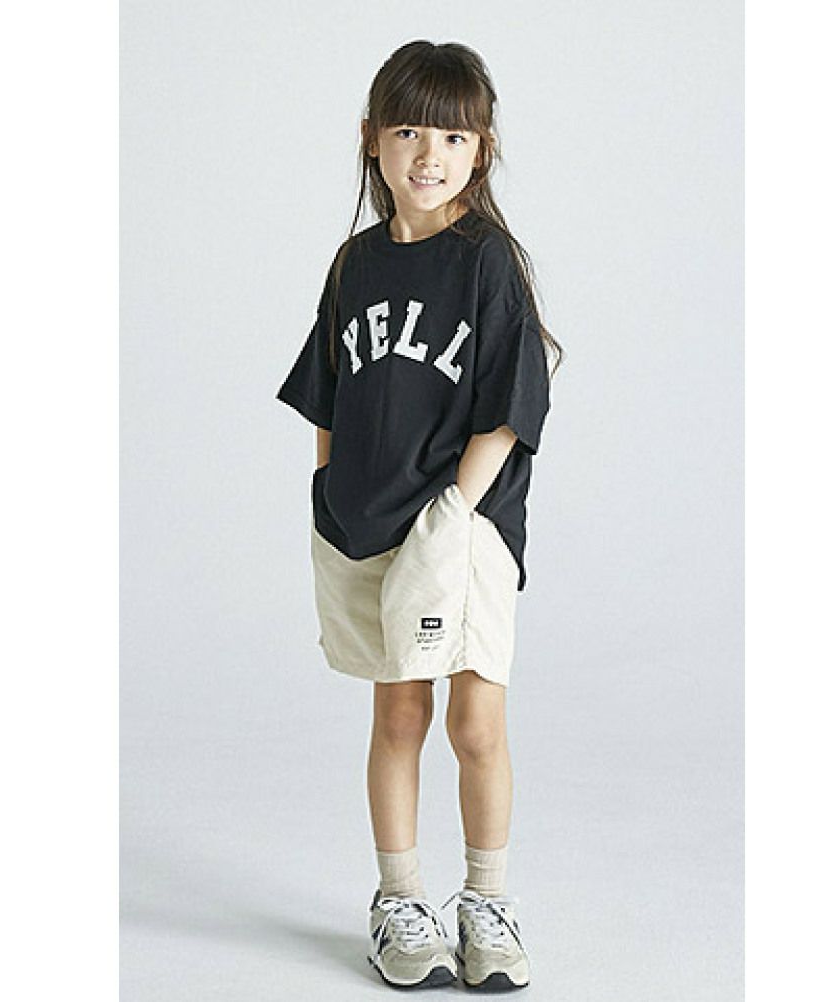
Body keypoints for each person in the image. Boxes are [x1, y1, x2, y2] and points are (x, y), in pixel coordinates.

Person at [276, 39, 564, 991]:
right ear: (372, 138)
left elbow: (511, 409)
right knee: (398, 713)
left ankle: (486, 899)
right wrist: (330, 491)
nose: (428, 154)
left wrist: (452, 514)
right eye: (408, 131)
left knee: (475, 720)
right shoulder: (353, 264)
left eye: (452, 135)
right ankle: (400, 902)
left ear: (482, 149)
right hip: (369, 525)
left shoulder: (486, 262)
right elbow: (328, 393)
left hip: (462, 525)